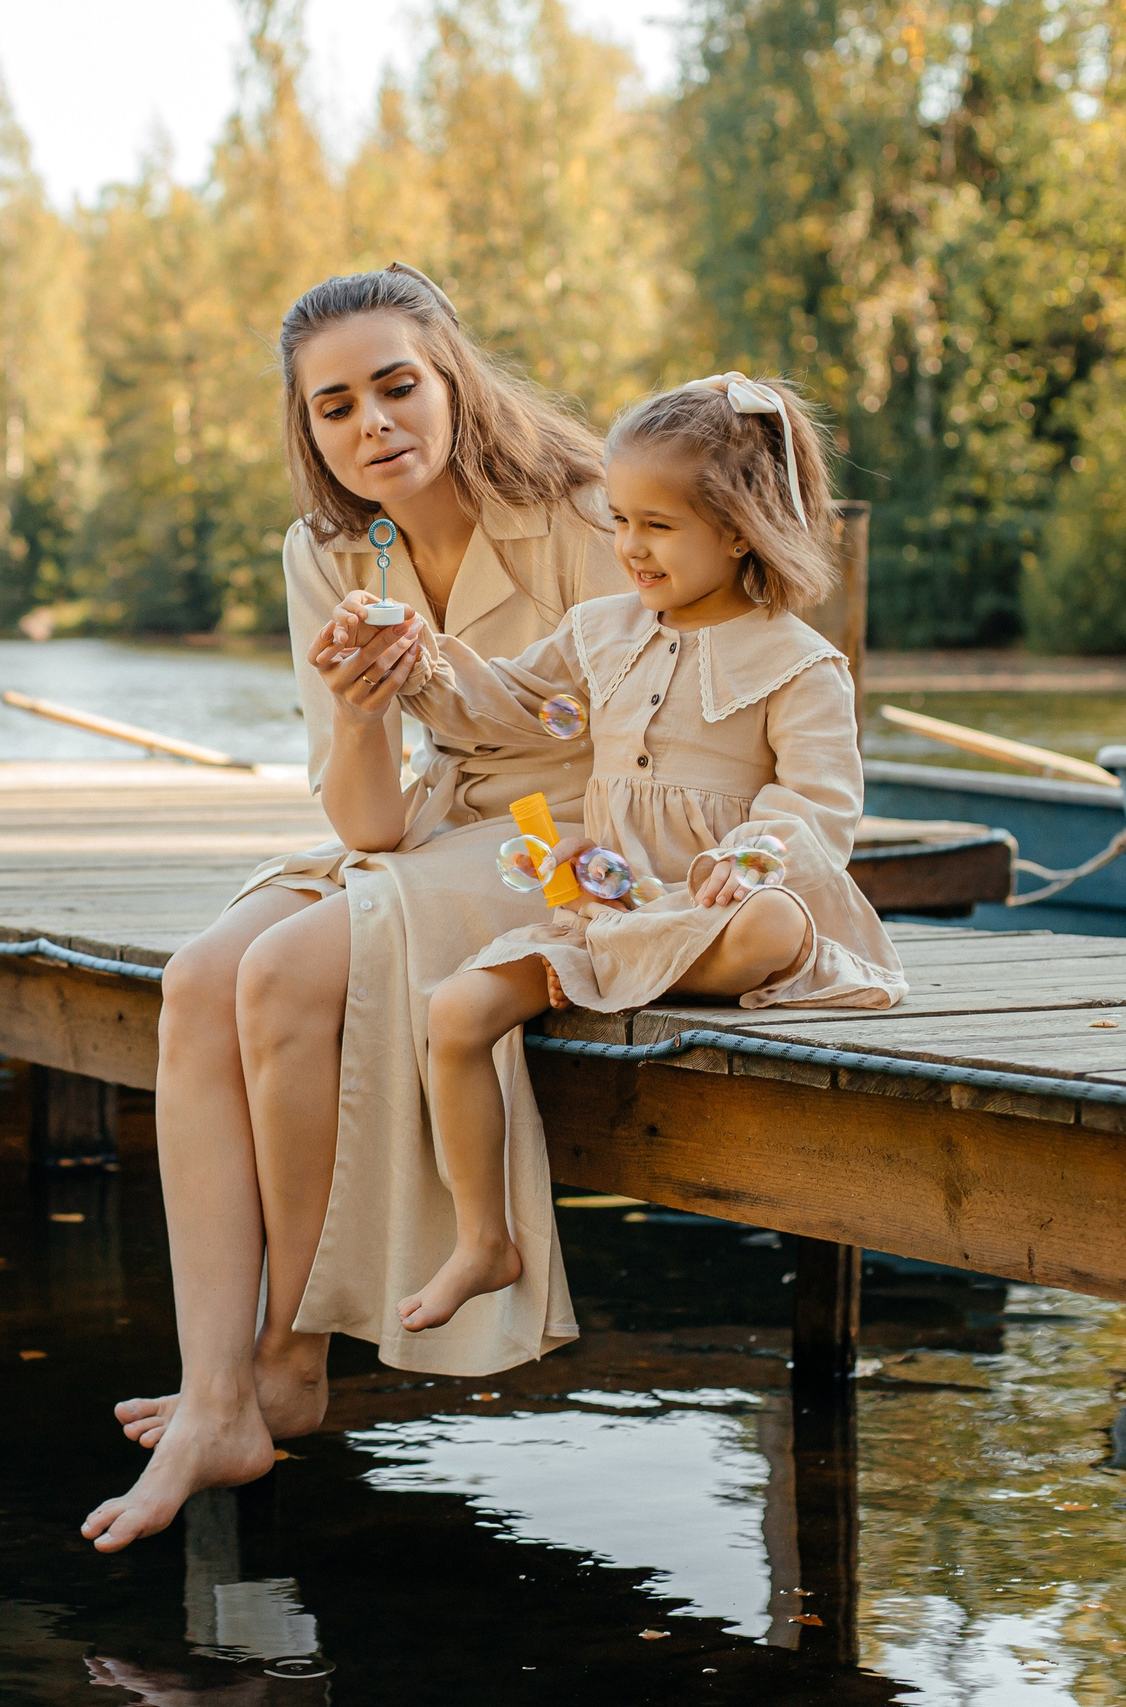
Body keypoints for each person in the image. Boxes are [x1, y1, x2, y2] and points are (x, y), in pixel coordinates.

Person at [80, 265, 628, 1553]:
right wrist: (367, 704)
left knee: (282, 976)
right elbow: (369, 825)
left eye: (396, 386)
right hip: (442, 817)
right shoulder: (329, 550)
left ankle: (283, 1357)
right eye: (335, 406)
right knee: (203, 976)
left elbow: (617, 725)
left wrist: (440, 669)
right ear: (308, 426)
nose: (372, 425)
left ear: (451, 380)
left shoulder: (583, 511)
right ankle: (218, 1384)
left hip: (586, 829)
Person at [378, 372, 908, 1330]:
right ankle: (482, 1238)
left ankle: (668, 963)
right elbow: (503, 707)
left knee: (775, 920)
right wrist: (423, 664)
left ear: (741, 528)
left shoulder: (798, 664)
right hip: (611, 913)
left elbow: (819, 808)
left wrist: (748, 855)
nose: (628, 547)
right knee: (455, 1010)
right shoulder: (600, 633)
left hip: (715, 910)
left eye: (656, 526)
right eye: (620, 520)